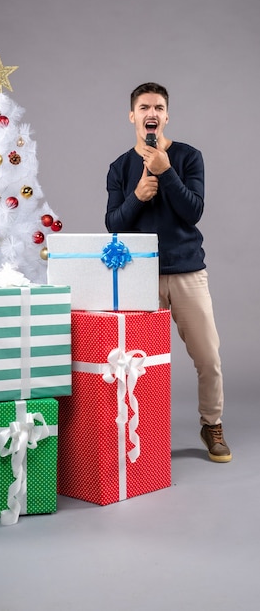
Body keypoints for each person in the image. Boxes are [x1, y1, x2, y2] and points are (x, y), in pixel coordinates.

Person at [105, 82, 232, 463]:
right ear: (132, 115)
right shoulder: (119, 167)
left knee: (208, 358)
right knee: (137, 366)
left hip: (188, 272)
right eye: (144, 106)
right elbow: (114, 225)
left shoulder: (189, 156)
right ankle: (141, 437)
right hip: (139, 277)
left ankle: (211, 424)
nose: (152, 113)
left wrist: (166, 171)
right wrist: (138, 196)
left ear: (166, 115)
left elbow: (193, 211)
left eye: (159, 107)